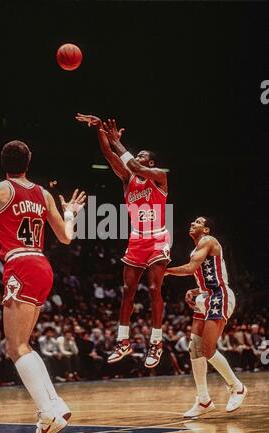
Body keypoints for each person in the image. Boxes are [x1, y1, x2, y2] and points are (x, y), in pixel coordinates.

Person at [0, 140, 86, 433]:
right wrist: (71, 213)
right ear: (28, 163)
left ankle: (47, 415)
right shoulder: (43, 194)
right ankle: (56, 403)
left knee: (15, 346)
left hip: (19, 264)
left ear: (2, 162)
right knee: (24, 344)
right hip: (42, 266)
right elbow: (65, 237)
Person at [76, 114, 170, 368]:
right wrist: (100, 131)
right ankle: (123, 341)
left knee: (153, 289)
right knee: (128, 291)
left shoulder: (159, 176)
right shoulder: (128, 180)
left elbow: (135, 165)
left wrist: (117, 141)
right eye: (135, 155)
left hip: (158, 236)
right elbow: (108, 155)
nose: (136, 159)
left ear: (149, 161)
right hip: (138, 238)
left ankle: (156, 342)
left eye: (140, 155)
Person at [165, 216, 247, 417]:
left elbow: (190, 268)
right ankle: (203, 400)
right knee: (194, 348)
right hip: (206, 296)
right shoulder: (197, 248)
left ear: (207, 229)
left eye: (198, 222)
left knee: (207, 349)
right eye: (192, 222)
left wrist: (164, 271)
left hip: (219, 296)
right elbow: (207, 276)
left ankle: (237, 387)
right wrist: (196, 290)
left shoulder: (208, 241)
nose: (193, 223)